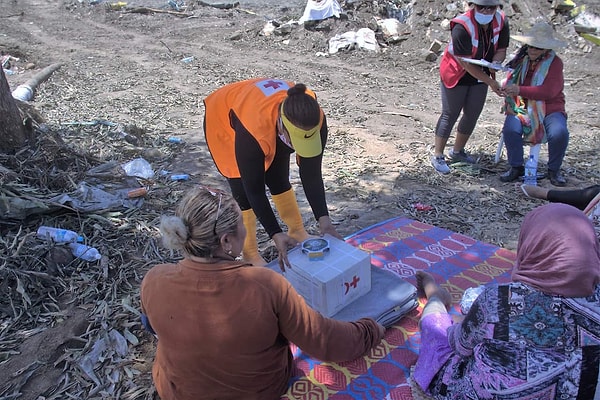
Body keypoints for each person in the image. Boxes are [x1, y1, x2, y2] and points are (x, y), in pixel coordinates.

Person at [140, 186, 386, 400]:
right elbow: (326, 341)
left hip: (176, 391)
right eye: (242, 224)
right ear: (226, 241)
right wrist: (372, 329)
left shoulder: (154, 278)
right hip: (256, 393)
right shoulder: (265, 286)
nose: (248, 231)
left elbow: (152, 324)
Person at [411, 203, 600, 399]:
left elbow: (459, 345)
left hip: (482, 394)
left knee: (436, 330)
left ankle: (435, 296)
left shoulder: (498, 301)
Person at [203, 78, 343, 269]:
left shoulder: (313, 118)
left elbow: (311, 174)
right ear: (281, 127)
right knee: (242, 190)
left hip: (265, 115)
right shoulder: (253, 130)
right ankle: (250, 252)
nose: (296, 148)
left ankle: (297, 231)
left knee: (278, 178)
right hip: (226, 118)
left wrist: (324, 221)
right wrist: (275, 233)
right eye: (294, 142)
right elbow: (254, 190)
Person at [431, 0, 509, 174]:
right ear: (474, 5)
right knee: (450, 113)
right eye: (482, 7)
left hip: (481, 73)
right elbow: (464, 63)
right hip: (456, 72)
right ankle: (438, 154)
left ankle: (458, 151)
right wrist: (491, 82)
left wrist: (496, 62)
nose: (486, 11)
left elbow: (502, 48)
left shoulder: (502, 21)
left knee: (472, 113)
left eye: (491, 7)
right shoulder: (461, 25)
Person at [499, 21, 570, 186]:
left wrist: (519, 90)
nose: (532, 50)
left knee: (559, 132)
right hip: (522, 106)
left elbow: (548, 91)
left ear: (545, 49)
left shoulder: (555, 63)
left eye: (536, 48)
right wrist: (507, 89)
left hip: (550, 107)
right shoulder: (521, 60)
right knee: (510, 129)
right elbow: (511, 77)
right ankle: (516, 166)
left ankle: (554, 170)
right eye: (530, 46)